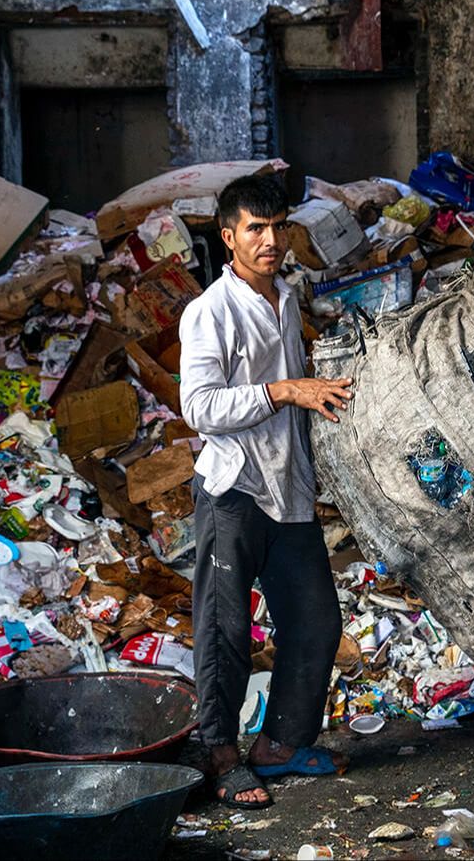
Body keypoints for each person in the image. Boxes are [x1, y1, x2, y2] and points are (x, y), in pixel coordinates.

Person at [178, 174, 356, 809]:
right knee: (226, 630)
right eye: (256, 228)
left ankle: (279, 745)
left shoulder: (286, 297)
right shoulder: (208, 312)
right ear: (229, 238)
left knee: (315, 622)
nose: (271, 239)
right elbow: (198, 407)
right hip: (234, 490)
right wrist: (287, 390)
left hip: (290, 487)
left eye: (278, 226)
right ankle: (222, 757)